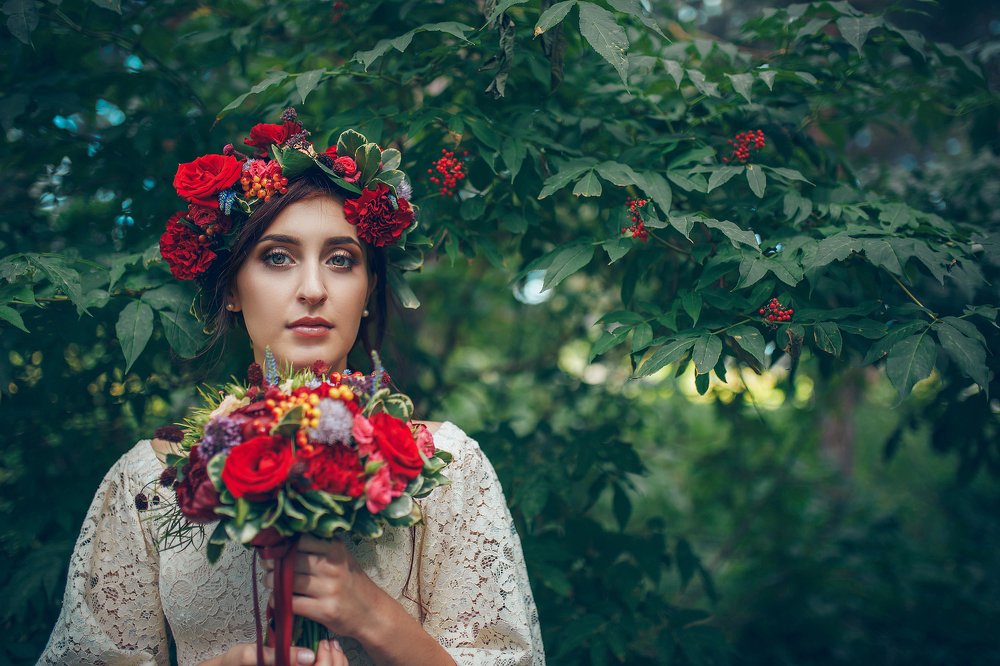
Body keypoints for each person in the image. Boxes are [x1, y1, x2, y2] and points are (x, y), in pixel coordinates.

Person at [37, 111, 544, 665]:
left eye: (341, 260)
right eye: (277, 258)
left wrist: (373, 615)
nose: (312, 289)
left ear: (371, 288)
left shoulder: (449, 469)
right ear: (231, 286)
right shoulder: (146, 482)